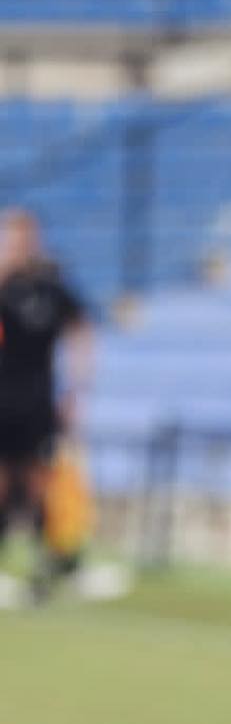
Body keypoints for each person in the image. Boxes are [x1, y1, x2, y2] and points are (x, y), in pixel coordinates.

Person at [0, 209, 93, 600]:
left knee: (41, 479)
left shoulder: (52, 287)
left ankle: (47, 561)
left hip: (38, 398)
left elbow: (81, 330)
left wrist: (77, 389)